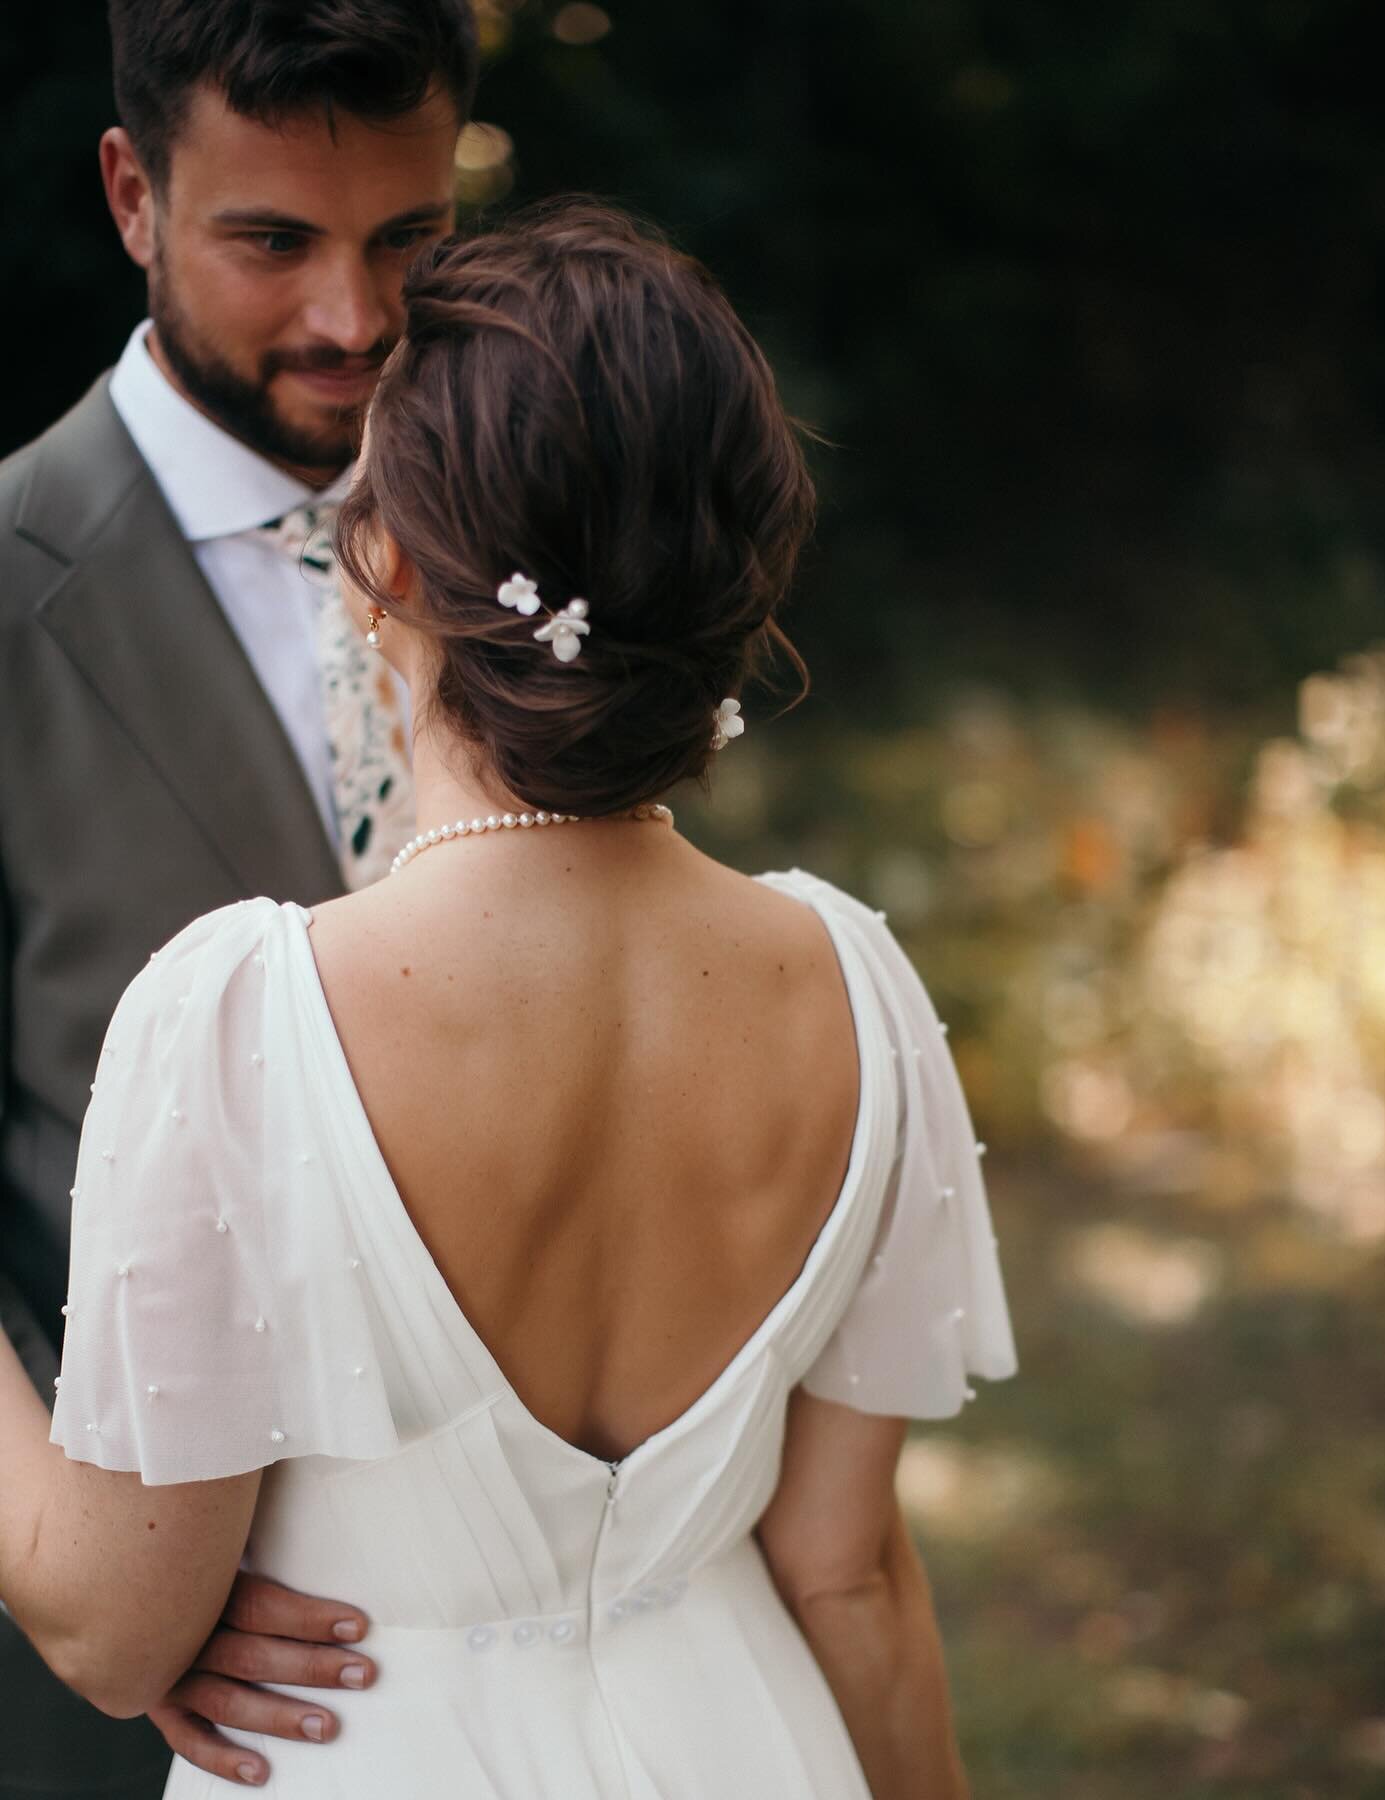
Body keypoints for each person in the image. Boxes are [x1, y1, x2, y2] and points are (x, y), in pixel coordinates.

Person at [0, 201, 1019, 1797]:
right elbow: (850, 1573)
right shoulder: (858, 990)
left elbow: (113, 1634)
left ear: (385, 561)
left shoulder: (244, 1016)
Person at [0, 0, 480, 1791]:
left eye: (409, 239)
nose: (355, 321)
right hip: (137, 1687)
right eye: (271, 242)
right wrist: (96, 1580)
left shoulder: (549, 542)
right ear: (131, 193)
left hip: (530, 1611)